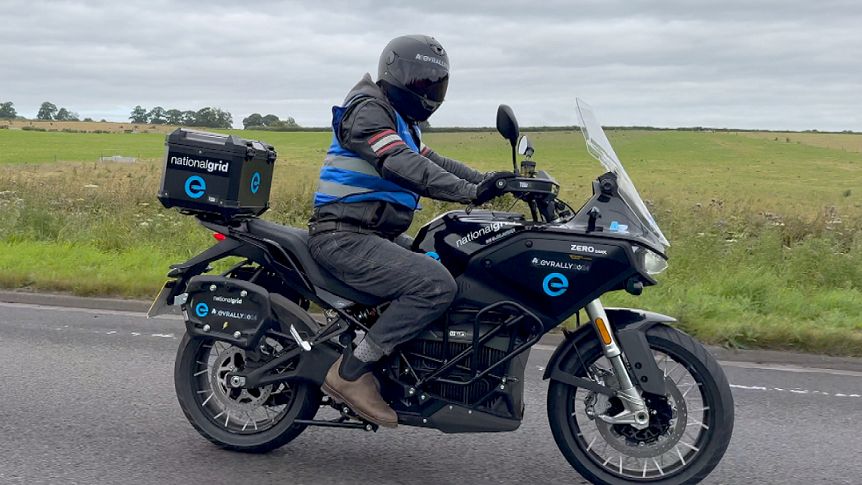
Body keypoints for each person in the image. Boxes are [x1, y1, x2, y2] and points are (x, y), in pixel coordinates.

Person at [307, 35, 513, 427]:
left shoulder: (399, 120)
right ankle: (350, 372)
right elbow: (399, 162)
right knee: (435, 285)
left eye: (434, 83)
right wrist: (470, 191)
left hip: (371, 234)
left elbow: (435, 161)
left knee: (454, 263)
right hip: (344, 236)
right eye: (421, 82)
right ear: (395, 73)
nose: (428, 91)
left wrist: (495, 183)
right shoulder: (367, 111)